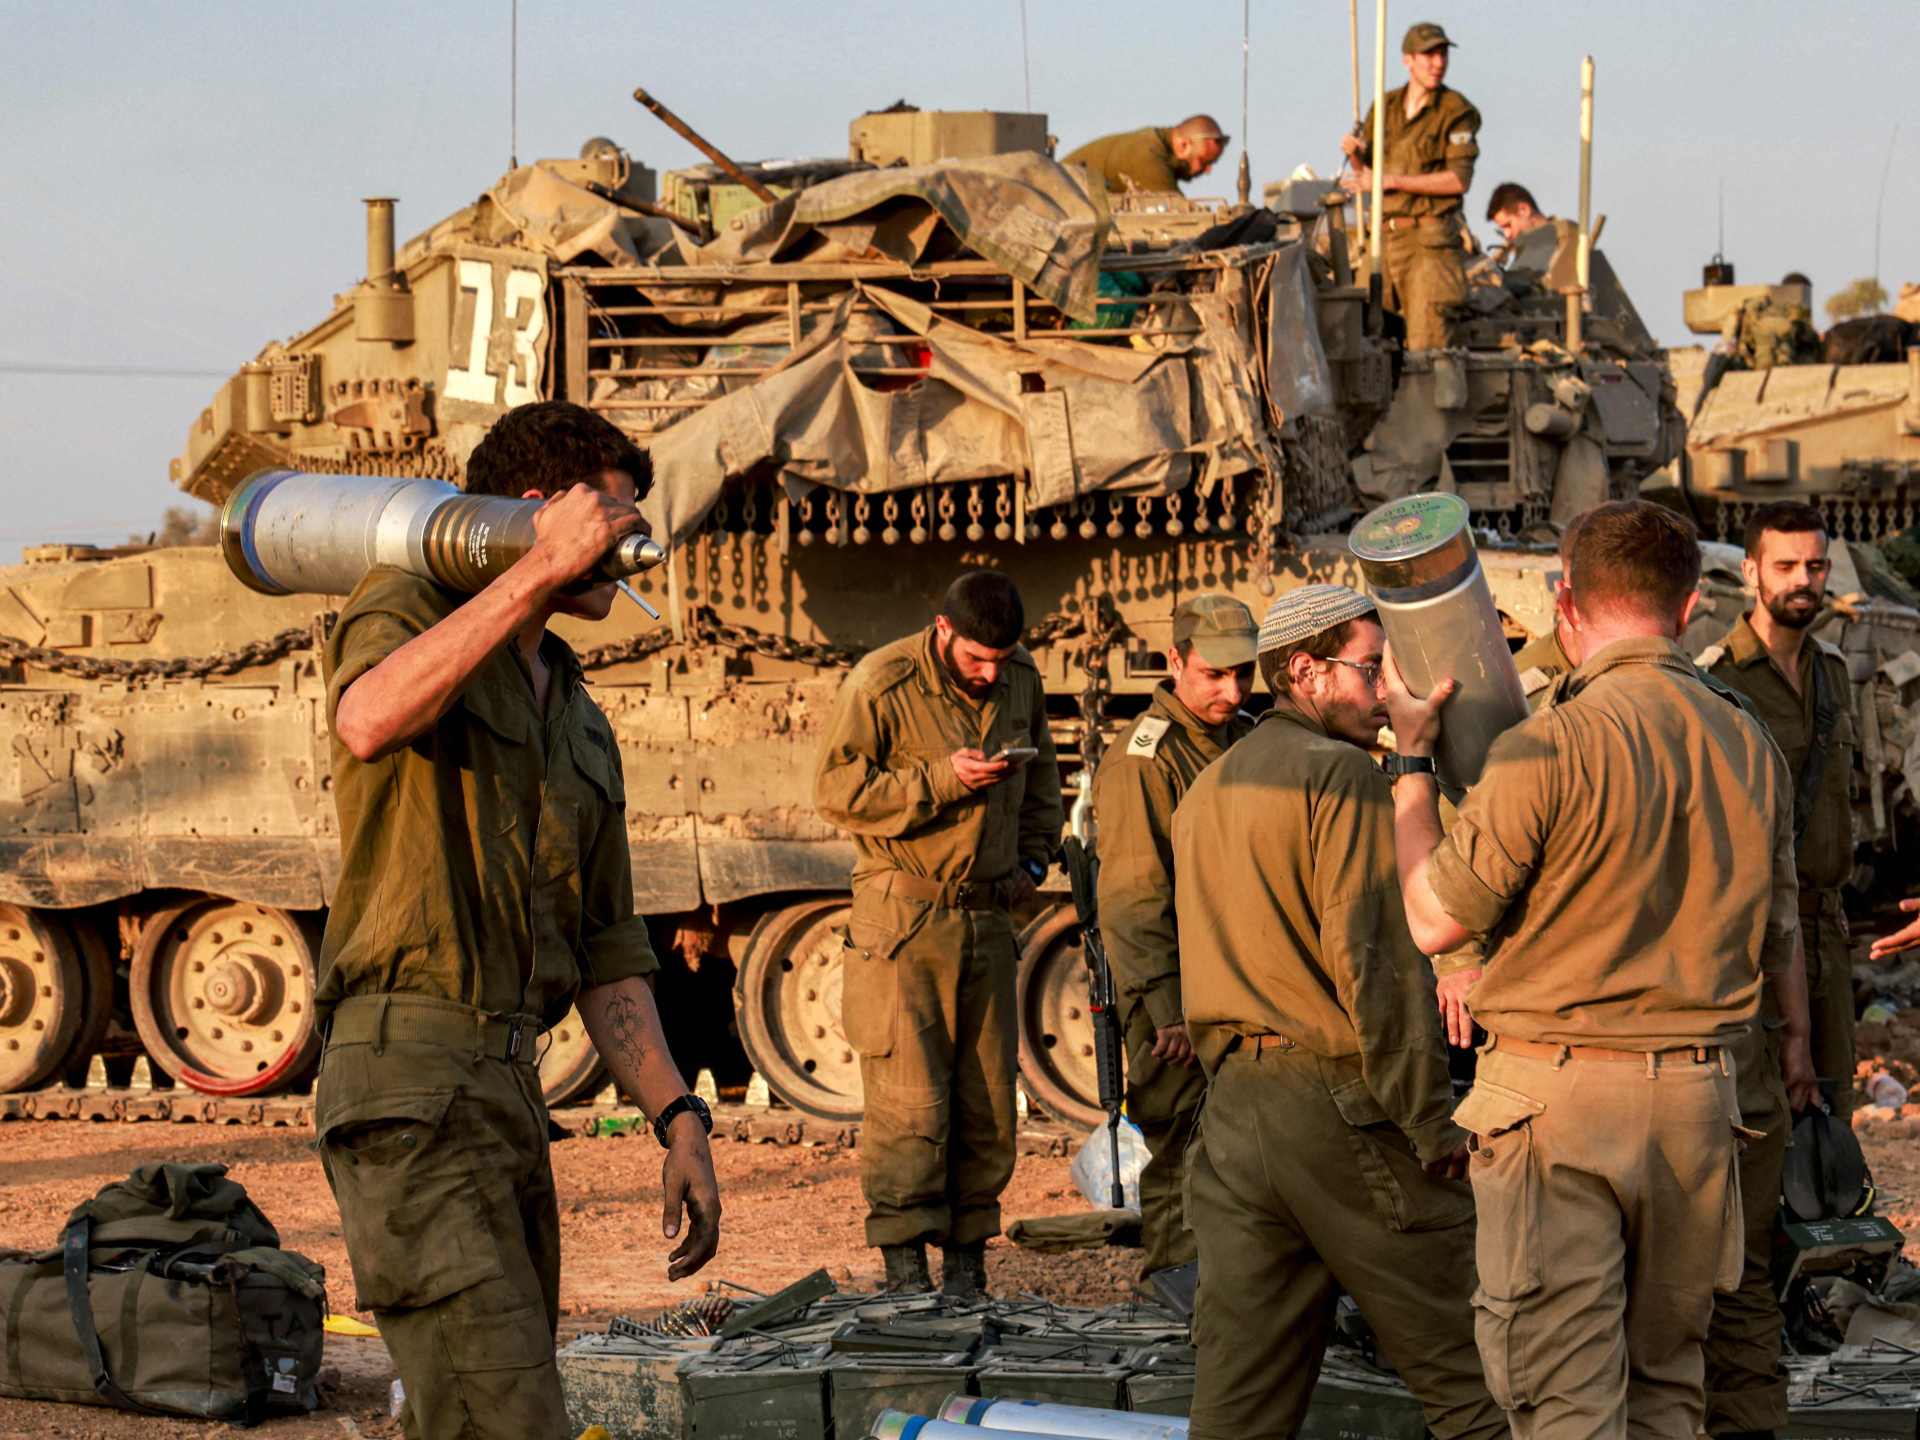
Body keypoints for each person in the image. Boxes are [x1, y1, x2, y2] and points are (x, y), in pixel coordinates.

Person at [315, 400, 722, 1440]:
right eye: (613, 520)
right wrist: (535, 568)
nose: (630, 547)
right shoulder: (409, 601)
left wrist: (680, 1119)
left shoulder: (577, 713)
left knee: (486, 1405)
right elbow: (367, 718)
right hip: (408, 1083)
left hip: (507, 1097)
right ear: (541, 509)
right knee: (508, 1417)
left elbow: (608, 955)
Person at [1387, 500, 1816, 1440]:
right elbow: (1776, 940)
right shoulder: (1750, 742)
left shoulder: (1549, 742)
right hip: (1700, 1105)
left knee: (1567, 1403)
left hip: (1560, 1108)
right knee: (1669, 1393)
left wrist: (1411, 764)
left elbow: (1432, 918)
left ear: (1566, 604)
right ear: (1690, 605)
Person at [1174, 584, 1503, 1440]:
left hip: (1235, 1113)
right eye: (1370, 670)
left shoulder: (1207, 788)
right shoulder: (1341, 776)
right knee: (1478, 1379)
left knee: (1239, 1409)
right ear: (1305, 672)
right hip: (1336, 1105)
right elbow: (1375, 968)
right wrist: (1430, 1122)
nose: (1386, 693)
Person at [813, 571, 1064, 1296]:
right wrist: (940, 779)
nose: (990, 674)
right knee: (908, 1098)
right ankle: (903, 1271)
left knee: (988, 1100)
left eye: (1002, 659)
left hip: (987, 916)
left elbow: (1043, 788)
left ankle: (966, 1269)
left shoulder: (1020, 679)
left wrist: (1034, 862)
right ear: (943, 630)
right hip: (903, 918)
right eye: (977, 659)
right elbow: (835, 792)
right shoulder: (881, 683)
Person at [1093, 594, 1258, 1283]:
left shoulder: (1245, 737)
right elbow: (1134, 898)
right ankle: (1175, 1294)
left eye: (1243, 673)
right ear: (1175, 662)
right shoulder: (1145, 759)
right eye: (1214, 675)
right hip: (1180, 998)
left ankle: (1226, 1298)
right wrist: (1167, 1009)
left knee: (1241, 1152)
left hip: (1239, 983)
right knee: (1182, 1151)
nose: (1233, 692)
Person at [1702, 501, 1859, 1113]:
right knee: (1763, 1117)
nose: (1803, 581)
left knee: (1833, 1117)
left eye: (1815, 567)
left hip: (1827, 932)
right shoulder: (1718, 681)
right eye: (1785, 566)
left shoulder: (1832, 674)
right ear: (1751, 572)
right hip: (1756, 939)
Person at [1340, 22, 1481, 350]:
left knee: (1427, 347)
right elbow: (1369, 176)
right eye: (1429, 55)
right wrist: (1356, 156)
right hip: (1383, 240)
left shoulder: (1456, 111)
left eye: (1443, 55)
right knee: (1359, 334)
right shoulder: (1386, 106)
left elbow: (1458, 180)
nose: (1438, 63)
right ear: (1408, 60)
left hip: (1428, 243)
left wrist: (1391, 180)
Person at [1063, 116, 1229, 194]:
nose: (1208, 170)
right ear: (1183, 145)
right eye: (1204, 161)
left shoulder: (1153, 145)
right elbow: (1178, 214)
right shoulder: (1148, 157)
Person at [1483, 181, 1574, 285]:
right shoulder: (1521, 252)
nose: (1507, 234)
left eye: (1508, 225)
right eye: (1502, 230)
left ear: (1524, 210)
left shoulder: (1566, 235)